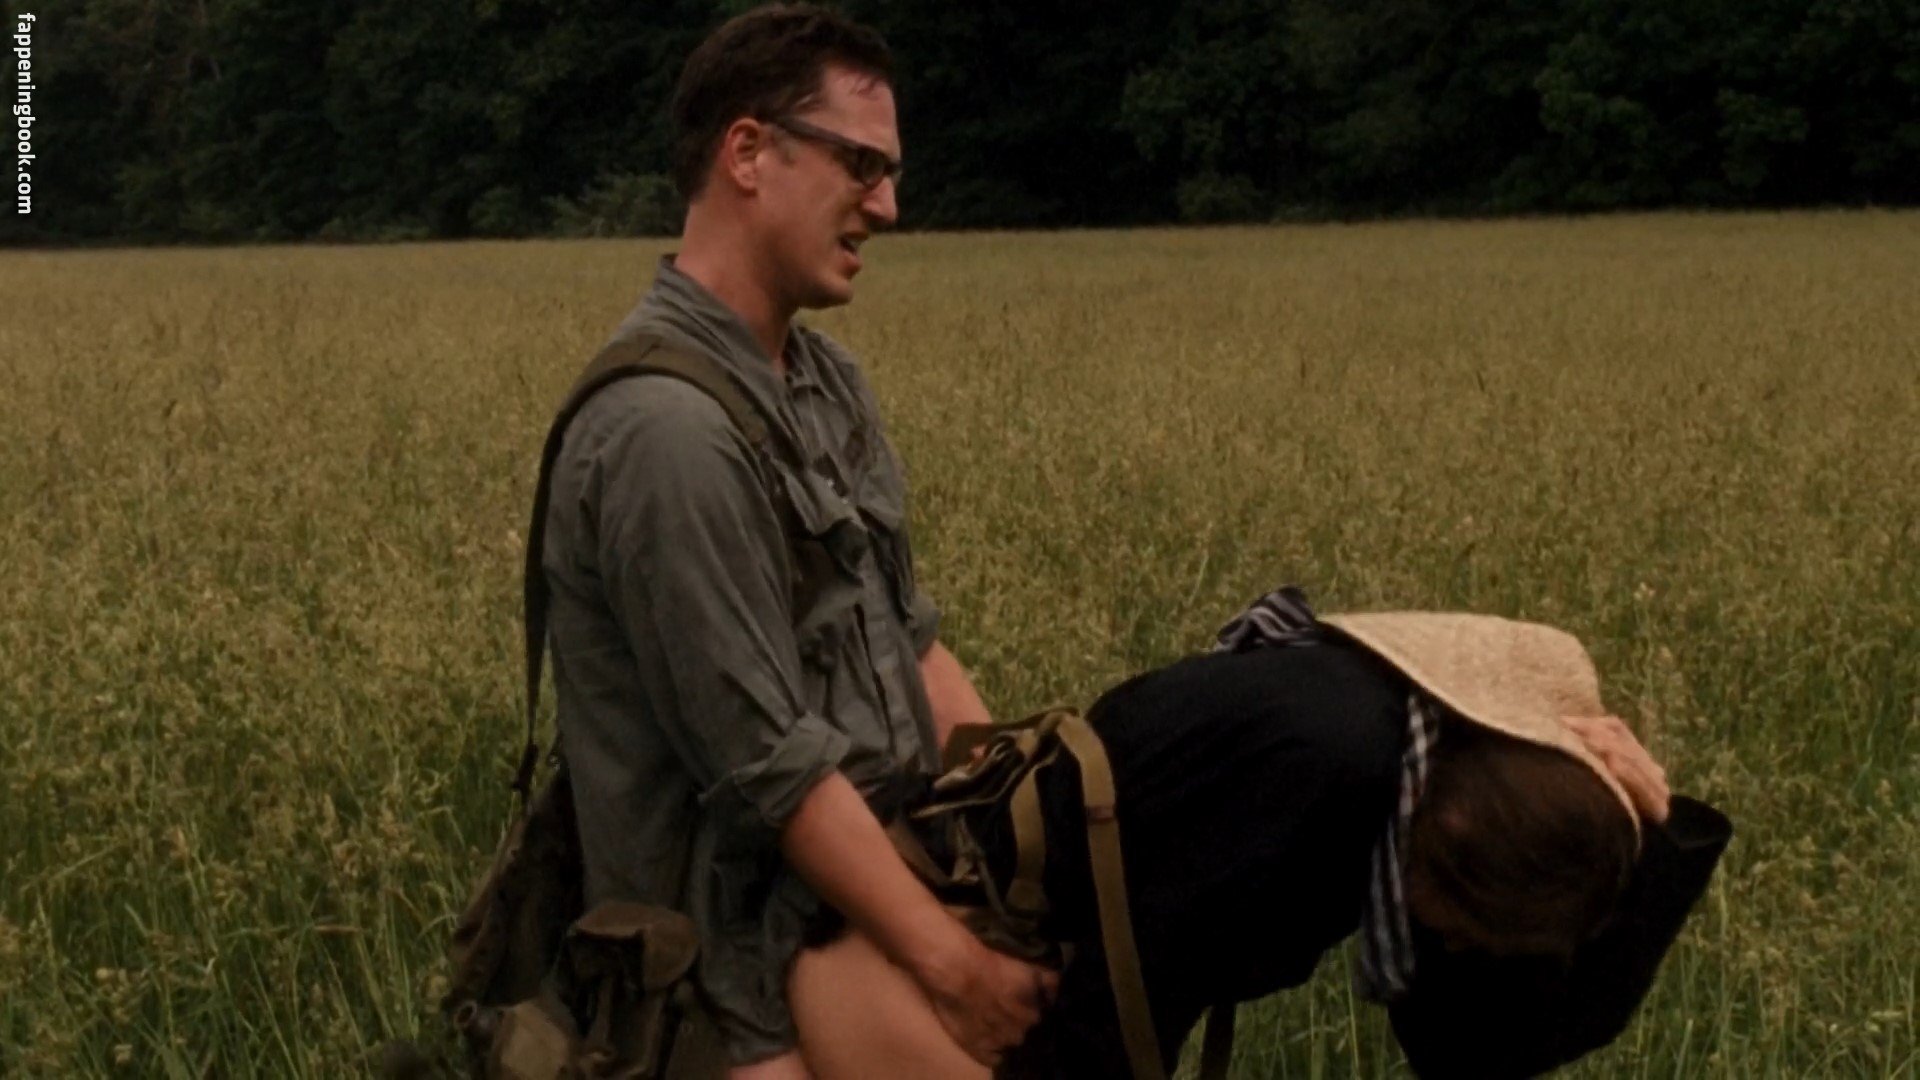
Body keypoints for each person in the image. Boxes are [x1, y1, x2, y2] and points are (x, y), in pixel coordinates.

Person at [539, 6, 1051, 1078]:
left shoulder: (824, 383)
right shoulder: (664, 432)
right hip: (720, 1000)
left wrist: (1034, 825)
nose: (888, 206)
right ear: (748, 153)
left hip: (851, 916)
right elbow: (770, 774)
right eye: (861, 165)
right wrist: (955, 970)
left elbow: (909, 645)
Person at [786, 594, 1733, 1078]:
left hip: (1001, 969)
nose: (1455, 945)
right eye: (1475, 929)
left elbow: (1473, 1049)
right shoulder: (1320, 769)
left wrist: (1653, 840)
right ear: (1458, 864)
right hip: (912, 973)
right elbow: (1118, 1005)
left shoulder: (1408, 765)